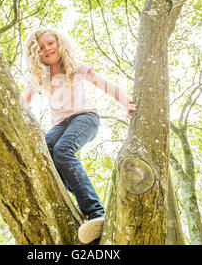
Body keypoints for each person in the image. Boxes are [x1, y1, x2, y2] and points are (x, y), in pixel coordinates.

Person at [23, 27, 136, 244]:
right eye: (41, 47)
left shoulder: (76, 69)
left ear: (60, 44)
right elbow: (25, 100)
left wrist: (126, 103)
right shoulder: (40, 76)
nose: (47, 49)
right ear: (35, 54)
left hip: (86, 118)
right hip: (61, 124)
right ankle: (79, 198)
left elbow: (106, 85)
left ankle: (96, 213)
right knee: (45, 149)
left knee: (63, 151)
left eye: (50, 43)